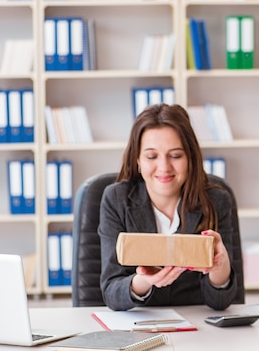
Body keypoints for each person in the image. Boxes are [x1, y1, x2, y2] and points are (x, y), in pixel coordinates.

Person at [98, 103, 238, 311]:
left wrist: (220, 269)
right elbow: (111, 291)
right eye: (151, 156)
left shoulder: (217, 200)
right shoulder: (116, 199)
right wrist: (144, 281)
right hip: (138, 325)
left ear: (190, 158)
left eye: (175, 156)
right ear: (137, 159)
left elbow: (221, 302)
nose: (164, 167)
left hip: (199, 331)